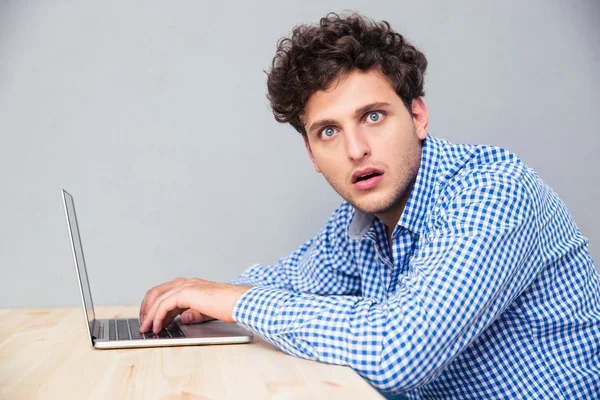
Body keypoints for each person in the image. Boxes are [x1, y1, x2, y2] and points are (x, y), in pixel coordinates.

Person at [138, 12, 600, 399]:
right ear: (312, 155)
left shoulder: (494, 190)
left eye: (373, 116)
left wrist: (234, 301)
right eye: (329, 131)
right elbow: (289, 281)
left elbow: (401, 350)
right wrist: (205, 300)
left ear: (417, 116)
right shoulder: (356, 225)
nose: (355, 149)